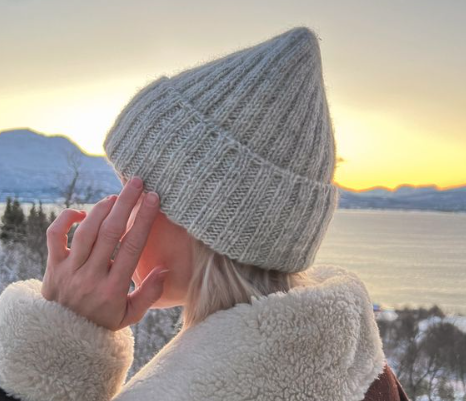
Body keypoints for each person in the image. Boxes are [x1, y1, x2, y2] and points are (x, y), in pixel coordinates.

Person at [0, 26, 409, 401]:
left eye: (132, 188)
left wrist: (54, 350)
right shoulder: (364, 374)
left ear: (207, 223)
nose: (114, 214)